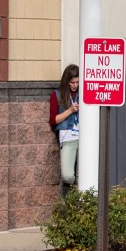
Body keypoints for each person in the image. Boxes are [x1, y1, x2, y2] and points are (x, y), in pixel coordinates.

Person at [49, 64, 81, 193]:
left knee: (84, 174)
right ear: (66, 81)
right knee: (67, 176)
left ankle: (82, 204)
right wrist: (70, 110)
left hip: (85, 137)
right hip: (68, 137)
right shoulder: (57, 95)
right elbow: (53, 120)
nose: (75, 85)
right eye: (72, 82)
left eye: (78, 82)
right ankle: (73, 191)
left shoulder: (84, 93)